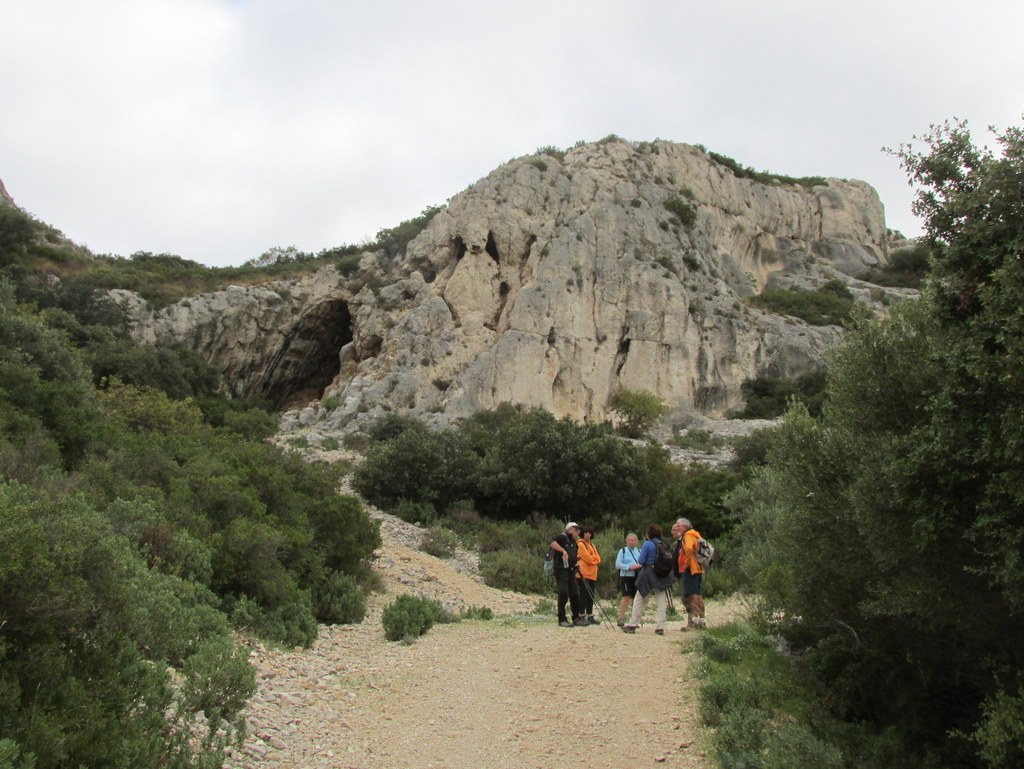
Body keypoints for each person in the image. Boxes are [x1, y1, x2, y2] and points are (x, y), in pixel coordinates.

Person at [622, 523, 676, 635]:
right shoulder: (662, 543)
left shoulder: (648, 544)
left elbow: (641, 561)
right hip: (661, 573)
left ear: (649, 533)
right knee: (661, 599)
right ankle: (660, 627)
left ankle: (632, 624)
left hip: (648, 572)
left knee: (640, 598)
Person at [550, 522, 585, 627]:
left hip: (570, 570)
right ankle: (562, 619)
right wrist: (563, 551)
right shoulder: (562, 537)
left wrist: (576, 563)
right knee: (563, 593)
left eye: (578, 530)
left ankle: (576, 617)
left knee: (575, 593)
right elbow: (551, 543)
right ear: (569, 530)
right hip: (561, 570)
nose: (578, 532)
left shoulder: (574, 542)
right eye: (576, 530)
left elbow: (574, 555)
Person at [676, 517, 706, 630]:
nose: (677, 528)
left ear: (684, 527)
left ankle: (693, 623)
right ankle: (702, 621)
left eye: (678, 526)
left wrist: (686, 563)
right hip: (698, 568)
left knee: (692, 596)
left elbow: (688, 548)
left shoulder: (688, 535)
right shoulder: (696, 534)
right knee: (698, 596)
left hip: (691, 569)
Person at [575, 525, 602, 625]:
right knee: (583, 595)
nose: (588, 534)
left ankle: (590, 615)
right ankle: (581, 615)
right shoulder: (580, 544)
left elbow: (598, 558)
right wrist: (594, 559)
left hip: (592, 573)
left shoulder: (591, 545)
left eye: (589, 533)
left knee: (591, 595)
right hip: (583, 573)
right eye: (586, 533)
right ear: (583, 533)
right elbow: (588, 558)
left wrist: (593, 559)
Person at [615, 532, 642, 627]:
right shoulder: (622, 551)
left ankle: (634, 620)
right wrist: (629, 567)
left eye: (633, 540)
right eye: (629, 540)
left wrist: (638, 566)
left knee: (636, 599)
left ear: (636, 541)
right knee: (626, 597)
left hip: (636, 576)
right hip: (626, 576)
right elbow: (618, 564)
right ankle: (621, 618)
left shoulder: (639, 551)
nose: (631, 542)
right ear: (626, 541)